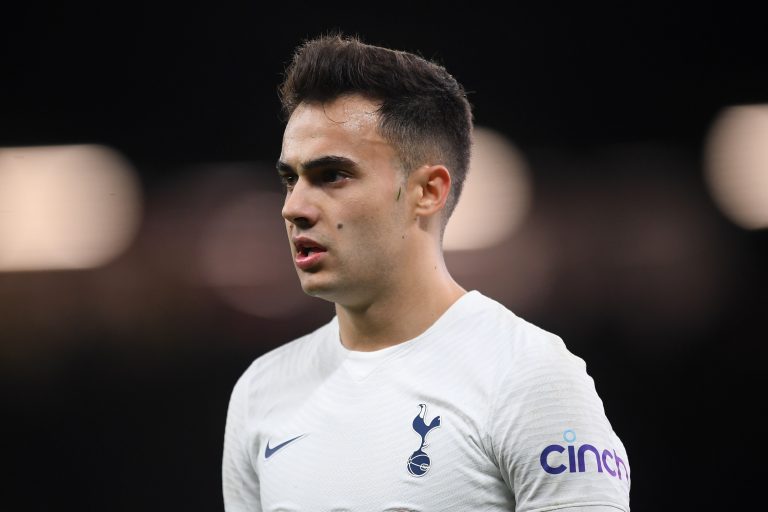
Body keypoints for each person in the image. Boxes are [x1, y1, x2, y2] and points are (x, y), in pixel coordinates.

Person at [222, 32, 631, 511]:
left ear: (428, 191)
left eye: (331, 175)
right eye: (290, 179)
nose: (294, 207)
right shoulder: (261, 392)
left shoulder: (529, 376)